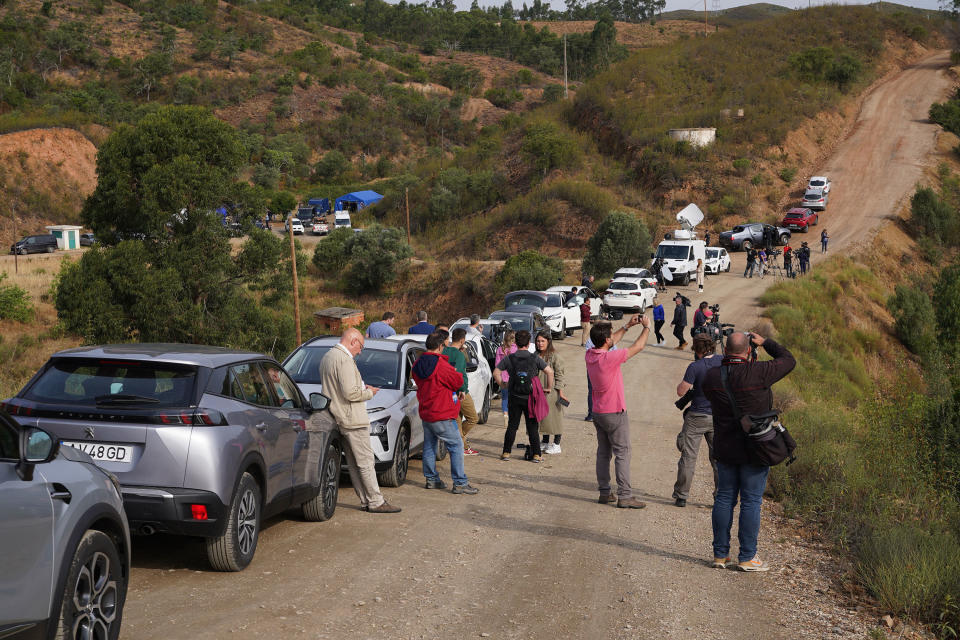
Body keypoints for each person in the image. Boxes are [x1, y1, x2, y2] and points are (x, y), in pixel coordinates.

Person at [702, 331, 796, 572]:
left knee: (724, 498)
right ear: (747, 351)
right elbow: (788, 359)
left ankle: (720, 556)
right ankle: (747, 557)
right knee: (751, 501)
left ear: (725, 351)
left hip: (725, 446)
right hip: (757, 447)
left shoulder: (711, 377)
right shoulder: (758, 372)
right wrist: (766, 343)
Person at [318, 328, 401, 513]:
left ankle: (366, 500)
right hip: (353, 418)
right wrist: (369, 393)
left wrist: (362, 387)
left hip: (338, 416)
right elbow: (350, 392)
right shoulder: (344, 360)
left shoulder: (328, 357)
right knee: (365, 462)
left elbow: (339, 388)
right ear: (353, 341)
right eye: (361, 346)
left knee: (355, 463)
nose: (360, 351)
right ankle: (376, 501)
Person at [586, 315, 651, 509]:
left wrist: (627, 326)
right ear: (606, 340)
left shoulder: (590, 354)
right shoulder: (609, 358)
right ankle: (625, 495)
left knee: (603, 453)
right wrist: (646, 328)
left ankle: (605, 492)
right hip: (614, 411)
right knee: (623, 452)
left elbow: (611, 340)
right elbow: (638, 347)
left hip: (598, 411)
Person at [412, 332, 479, 494]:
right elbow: (458, 381)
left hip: (426, 411)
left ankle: (432, 479)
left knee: (429, 445)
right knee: (456, 445)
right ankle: (460, 482)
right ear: (441, 346)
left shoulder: (417, 363)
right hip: (442, 412)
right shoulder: (441, 365)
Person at [672, 334, 721, 508]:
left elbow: (680, 391)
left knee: (689, 457)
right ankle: (720, 497)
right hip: (719, 417)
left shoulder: (695, 367)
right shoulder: (723, 361)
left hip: (698, 416)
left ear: (696, 349)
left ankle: (682, 496)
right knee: (718, 459)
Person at [493, 330, 554, 463]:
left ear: (516, 342)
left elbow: (496, 372)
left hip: (514, 396)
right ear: (528, 342)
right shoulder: (534, 358)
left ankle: (506, 452)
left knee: (512, 426)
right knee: (532, 426)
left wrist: (503, 385)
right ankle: (537, 455)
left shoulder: (509, 358)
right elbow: (549, 372)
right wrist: (548, 388)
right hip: (530, 397)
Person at [444, 329, 479, 457]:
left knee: (457, 420)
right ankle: (458, 442)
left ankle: (461, 446)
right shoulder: (459, 355)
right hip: (460, 391)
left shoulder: (445, 350)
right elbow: (458, 374)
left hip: (448, 391)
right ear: (462, 340)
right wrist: (462, 390)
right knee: (473, 418)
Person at [535, 331, 567, 454]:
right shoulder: (536, 355)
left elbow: (560, 375)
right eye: (538, 341)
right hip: (540, 392)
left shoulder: (555, 356)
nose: (540, 343)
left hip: (553, 392)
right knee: (543, 418)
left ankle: (557, 444)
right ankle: (545, 441)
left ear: (548, 341)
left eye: (543, 341)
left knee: (555, 418)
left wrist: (560, 392)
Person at [495, 330, 517, 427]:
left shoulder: (500, 349)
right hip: (514, 377)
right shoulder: (516, 349)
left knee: (505, 398)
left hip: (503, 377)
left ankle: (505, 414)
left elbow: (497, 364)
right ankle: (512, 416)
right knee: (513, 398)